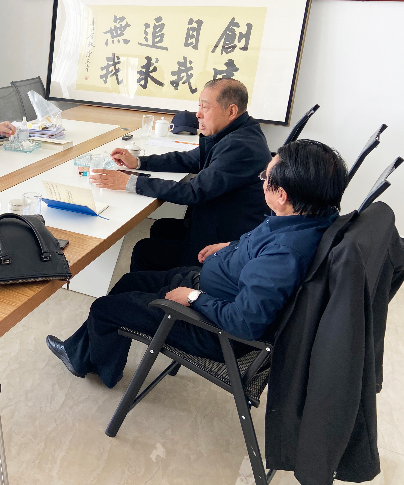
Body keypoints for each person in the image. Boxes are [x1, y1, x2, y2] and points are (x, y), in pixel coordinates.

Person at [47, 140, 348, 389]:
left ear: (281, 195)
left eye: (265, 178)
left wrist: (193, 298)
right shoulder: (305, 218)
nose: (262, 182)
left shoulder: (283, 255)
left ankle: (98, 370)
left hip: (212, 330)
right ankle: (85, 353)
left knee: (104, 309)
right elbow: (260, 246)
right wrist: (230, 247)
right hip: (212, 287)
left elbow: (244, 323)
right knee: (128, 283)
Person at [89, 78, 271, 272]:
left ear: (231, 111)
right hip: (220, 221)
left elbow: (193, 192)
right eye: (199, 106)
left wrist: (131, 182)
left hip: (225, 242)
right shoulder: (237, 132)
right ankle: (165, 282)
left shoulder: (240, 146)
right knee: (161, 228)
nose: (198, 114)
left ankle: (173, 283)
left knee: (144, 250)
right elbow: (189, 159)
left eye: (205, 107)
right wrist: (139, 162)